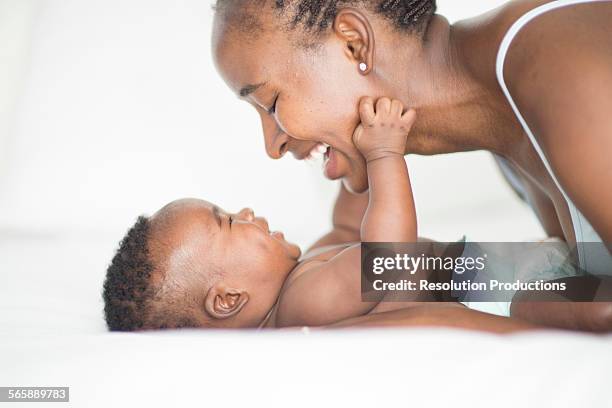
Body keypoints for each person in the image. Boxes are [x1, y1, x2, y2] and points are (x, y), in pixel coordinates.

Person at [210, 0, 612, 331]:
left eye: (272, 104)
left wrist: (437, 319)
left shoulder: (558, 69)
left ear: (354, 44)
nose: (273, 145)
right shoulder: (506, 126)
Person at [102, 97, 536, 332]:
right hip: (482, 287)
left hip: (482, 270)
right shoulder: (304, 304)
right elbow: (387, 260)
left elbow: (348, 227)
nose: (247, 210)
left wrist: (350, 163)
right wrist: (384, 153)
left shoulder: (303, 274)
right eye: (229, 221)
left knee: (587, 270)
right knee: (591, 301)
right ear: (228, 299)